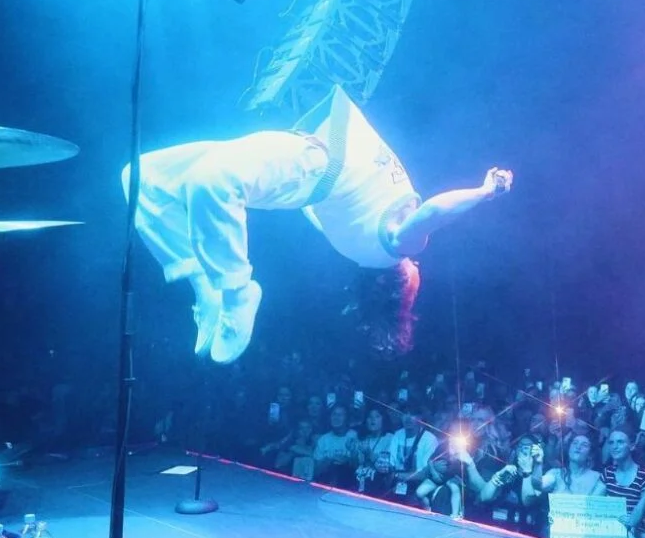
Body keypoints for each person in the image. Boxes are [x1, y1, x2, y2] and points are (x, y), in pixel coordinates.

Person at [123, 86, 513, 362]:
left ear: (397, 284)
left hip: (312, 162)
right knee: (140, 178)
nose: (421, 269)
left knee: (210, 182)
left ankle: (236, 292)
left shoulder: (394, 248)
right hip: (300, 162)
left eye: (416, 281)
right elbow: (312, 208)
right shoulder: (349, 245)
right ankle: (203, 284)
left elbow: (432, 212)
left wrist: (484, 192)